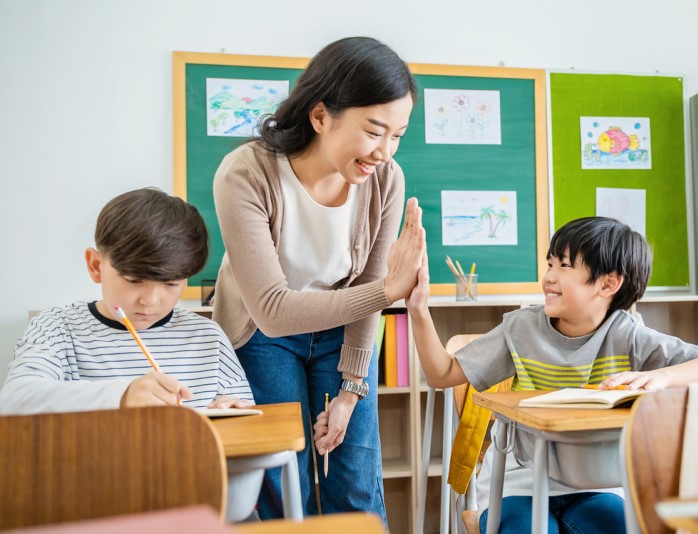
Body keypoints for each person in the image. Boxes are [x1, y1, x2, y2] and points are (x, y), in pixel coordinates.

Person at [325, 216, 698, 533]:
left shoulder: (628, 335)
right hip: (518, 483)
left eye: (565, 266)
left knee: (622, 525)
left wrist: (659, 378)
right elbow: (443, 373)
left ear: (608, 283)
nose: (549, 276)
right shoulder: (521, 328)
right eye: (550, 263)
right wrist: (418, 310)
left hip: (594, 484)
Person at [211, 36, 424, 520]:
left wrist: (351, 390)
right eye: (374, 131)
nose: (385, 152)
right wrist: (389, 290)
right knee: (284, 478)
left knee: (355, 483)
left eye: (398, 135)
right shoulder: (244, 174)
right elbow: (273, 310)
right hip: (262, 333)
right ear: (321, 115)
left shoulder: (387, 180)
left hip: (342, 330)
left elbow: (368, 284)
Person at [0, 188, 253, 414]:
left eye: (171, 284)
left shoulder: (207, 336)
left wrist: (232, 410)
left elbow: (244, 411)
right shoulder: (57, 328)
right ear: (96, 265)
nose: (150, 301)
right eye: (134, 280)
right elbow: (13, 400)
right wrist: (121, 396)